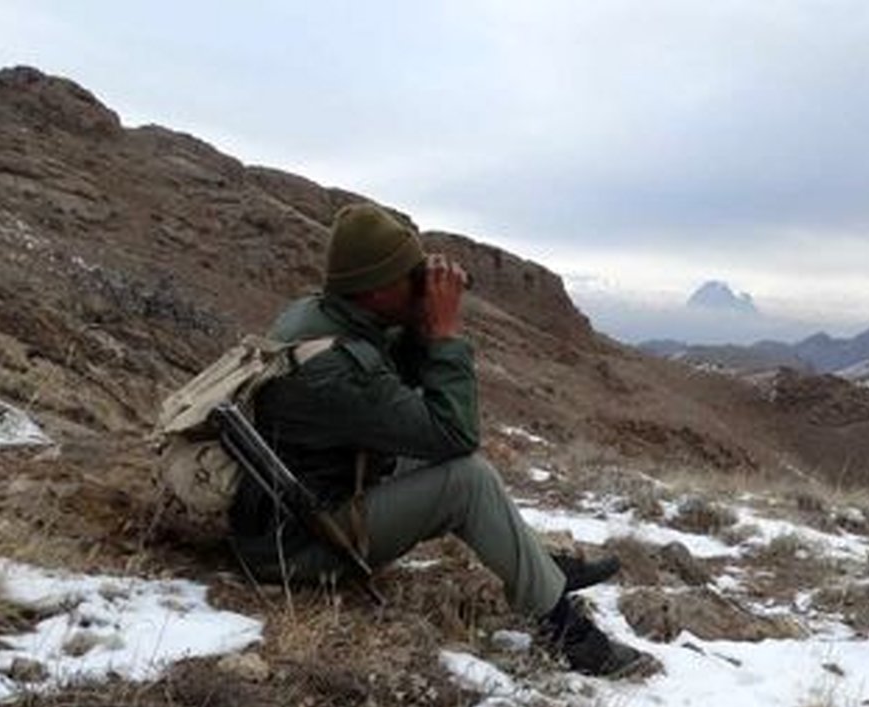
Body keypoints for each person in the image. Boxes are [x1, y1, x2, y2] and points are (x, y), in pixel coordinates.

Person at [229, 202, 651, 677]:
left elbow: (390, 382)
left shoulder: (322, 314)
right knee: (466, 479)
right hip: (298, 546)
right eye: (406, 276)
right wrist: (445, 334)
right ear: (373, 290)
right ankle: (567, 632)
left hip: (309, 496)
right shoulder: (333, 370)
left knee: (452, 468)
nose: (419, 282)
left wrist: (413, 321)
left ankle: (541, 571)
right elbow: (453, 432)